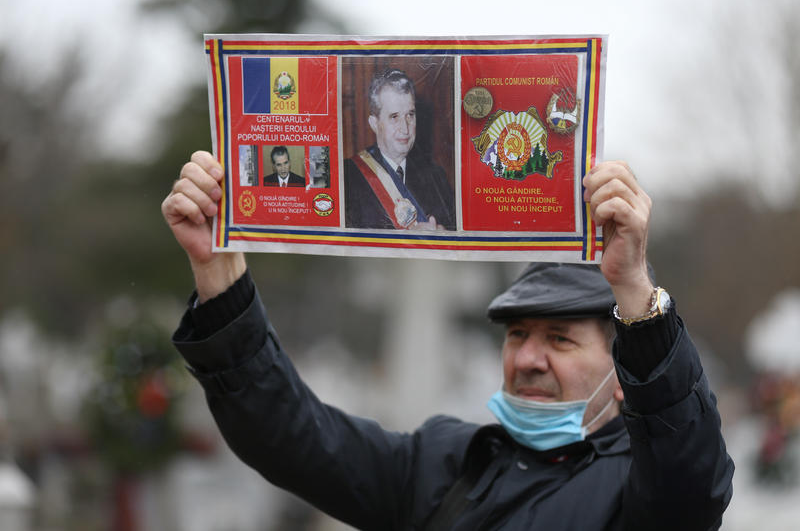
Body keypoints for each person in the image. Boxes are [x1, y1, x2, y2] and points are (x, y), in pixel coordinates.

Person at [162, 153, 734, 530]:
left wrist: (633, 287)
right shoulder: (447, 462)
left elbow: (691, 473)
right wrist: (219, 274)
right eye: (517, 335)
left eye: (560, 340)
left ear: (620, 367)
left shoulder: (642, 488)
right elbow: (291, 436)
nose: (528, 359)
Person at [344, 69, 455, 230]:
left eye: (410, 115)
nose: (405, 128)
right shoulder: (348, 177)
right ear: (374, 123)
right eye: (394, 117)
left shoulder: (436, 176)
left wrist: (445, 235)